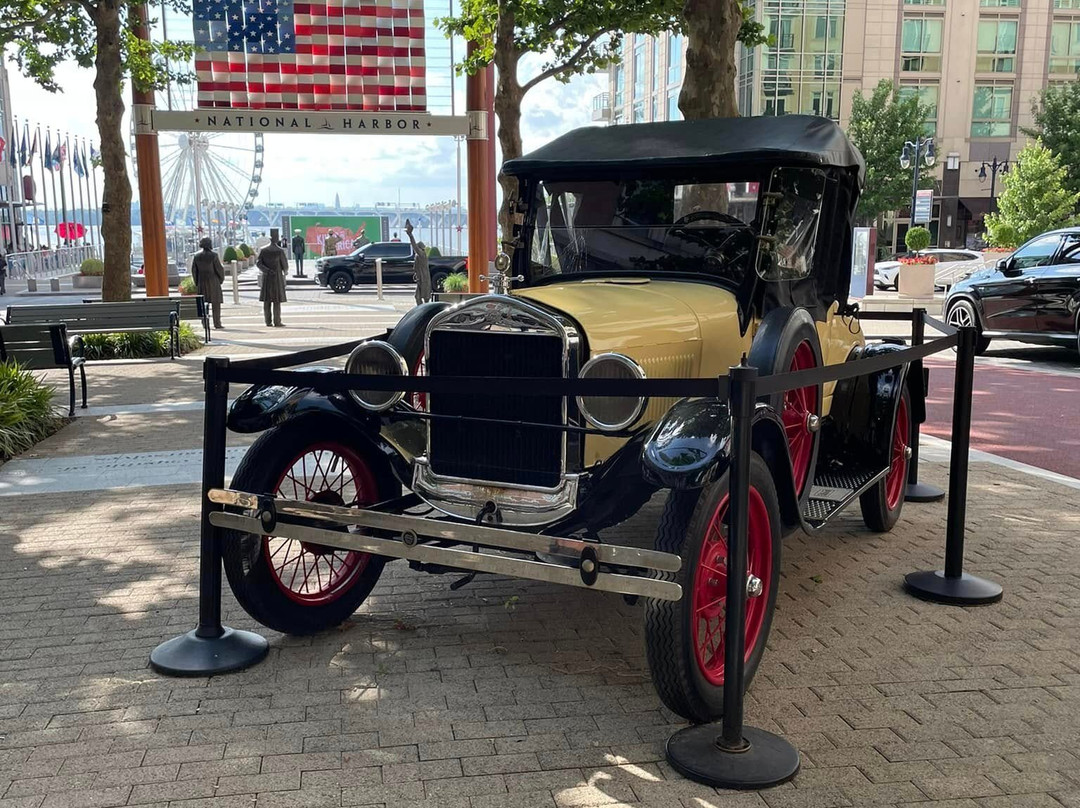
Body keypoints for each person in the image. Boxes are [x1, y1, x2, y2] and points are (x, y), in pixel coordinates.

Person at [190, 237, 225, 329]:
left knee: (203, 303)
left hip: (202, 281)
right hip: (213, 281)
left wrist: (197, 282)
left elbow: (194, 270)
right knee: (216, 303)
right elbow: (219, 269)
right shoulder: (214, 255)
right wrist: (221, 279)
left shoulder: (196, 256)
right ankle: (217, 323)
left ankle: (204, 323)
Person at [258, 235, 289, 327]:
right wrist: (285, 271)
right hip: (277, 277)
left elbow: (259, 263)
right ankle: (277, 321)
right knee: (277, 301)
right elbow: (285, 265)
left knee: (267, 301)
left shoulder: (264, 250)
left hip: (267, 278)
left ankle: (268, 321)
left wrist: (266, 270)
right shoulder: (280, 251)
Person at [405, 219, 430, 305]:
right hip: (420, 278)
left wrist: (410, 235)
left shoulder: (422, 255)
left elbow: (414, 246)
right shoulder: (419, 255)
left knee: (424, 297)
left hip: (424, 278)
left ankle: (424, 309)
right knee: (419, 296)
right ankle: (422, 308)